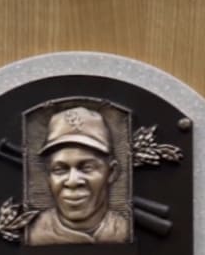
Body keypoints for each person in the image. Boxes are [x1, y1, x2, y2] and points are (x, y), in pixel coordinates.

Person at [26, 105, 132, 245]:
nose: (73, 181)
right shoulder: (32, 232)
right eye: (60, 169)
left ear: (112, 172)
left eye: (87, 167)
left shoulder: (126, 231)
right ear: (48, 176)